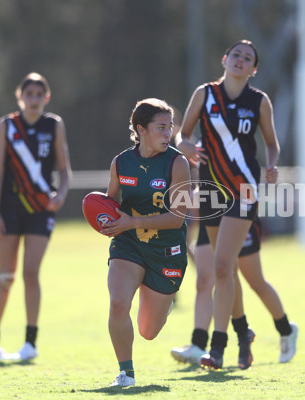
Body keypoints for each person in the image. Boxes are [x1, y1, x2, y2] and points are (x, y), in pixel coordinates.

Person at [176, 39, 295, 370]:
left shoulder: (259, 101)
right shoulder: (204, 94)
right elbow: (182, 136)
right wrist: (185, 147)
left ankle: (218, 348)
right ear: (224, 59)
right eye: (236, 55)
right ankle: (244, 333)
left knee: (224, 267)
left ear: (254, 69)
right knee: (223, 270)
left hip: (244, 189)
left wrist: (272, 165)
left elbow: (271, 144)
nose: (241, 60)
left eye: (248, 58)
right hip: (211, 189)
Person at [101, 98, 191, 387]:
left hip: (166, 252)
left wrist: (134, 221)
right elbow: (110, 205)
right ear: (141, 129)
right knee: (117, 303)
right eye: (161, 127)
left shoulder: (178, 163)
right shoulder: (121, 162)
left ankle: (149, 288)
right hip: (128, 246)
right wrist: (104, 220)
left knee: (148, 330)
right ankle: (126, 373)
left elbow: (177, 218)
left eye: (170, 127)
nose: (168, 133)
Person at [0, 72, 72, 362]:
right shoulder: (6, 126)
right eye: (28, 94)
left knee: (30, 272)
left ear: (46, 98)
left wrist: (60, 195)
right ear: (19, 97)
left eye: (39, 94)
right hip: (9, 209)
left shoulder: (54, 125)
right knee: (6, 276)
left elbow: (64, 168)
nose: (33, 99)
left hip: (40, 209)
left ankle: (30, 342)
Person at [171, 219, 298, 369]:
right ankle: (199, 344)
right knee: (205, 280)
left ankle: (285, 329)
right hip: (212, 213)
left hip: (238, 214)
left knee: (255, 281)